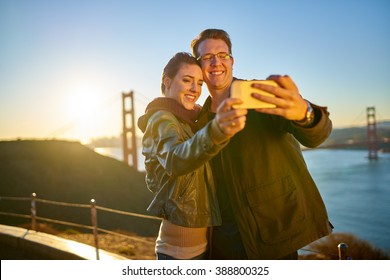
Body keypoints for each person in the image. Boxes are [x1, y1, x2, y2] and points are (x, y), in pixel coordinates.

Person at [191, 29, 333, 260]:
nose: (216, 62)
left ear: (232, 60)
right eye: (207, 57)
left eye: (222, 55)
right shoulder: (200, 121)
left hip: (275, 235)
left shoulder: (260, 96)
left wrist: (305, 114)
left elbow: (317, 135)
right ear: (199, 66)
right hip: (224, 242)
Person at [137, 52, 247, 260]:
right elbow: (175, 159)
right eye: (187, 80)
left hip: (199, 247)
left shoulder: (183, 121)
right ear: (167, 81)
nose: (195, 90)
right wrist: (216, 129)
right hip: (180, 252)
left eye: (199, 83)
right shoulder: (162, 119)